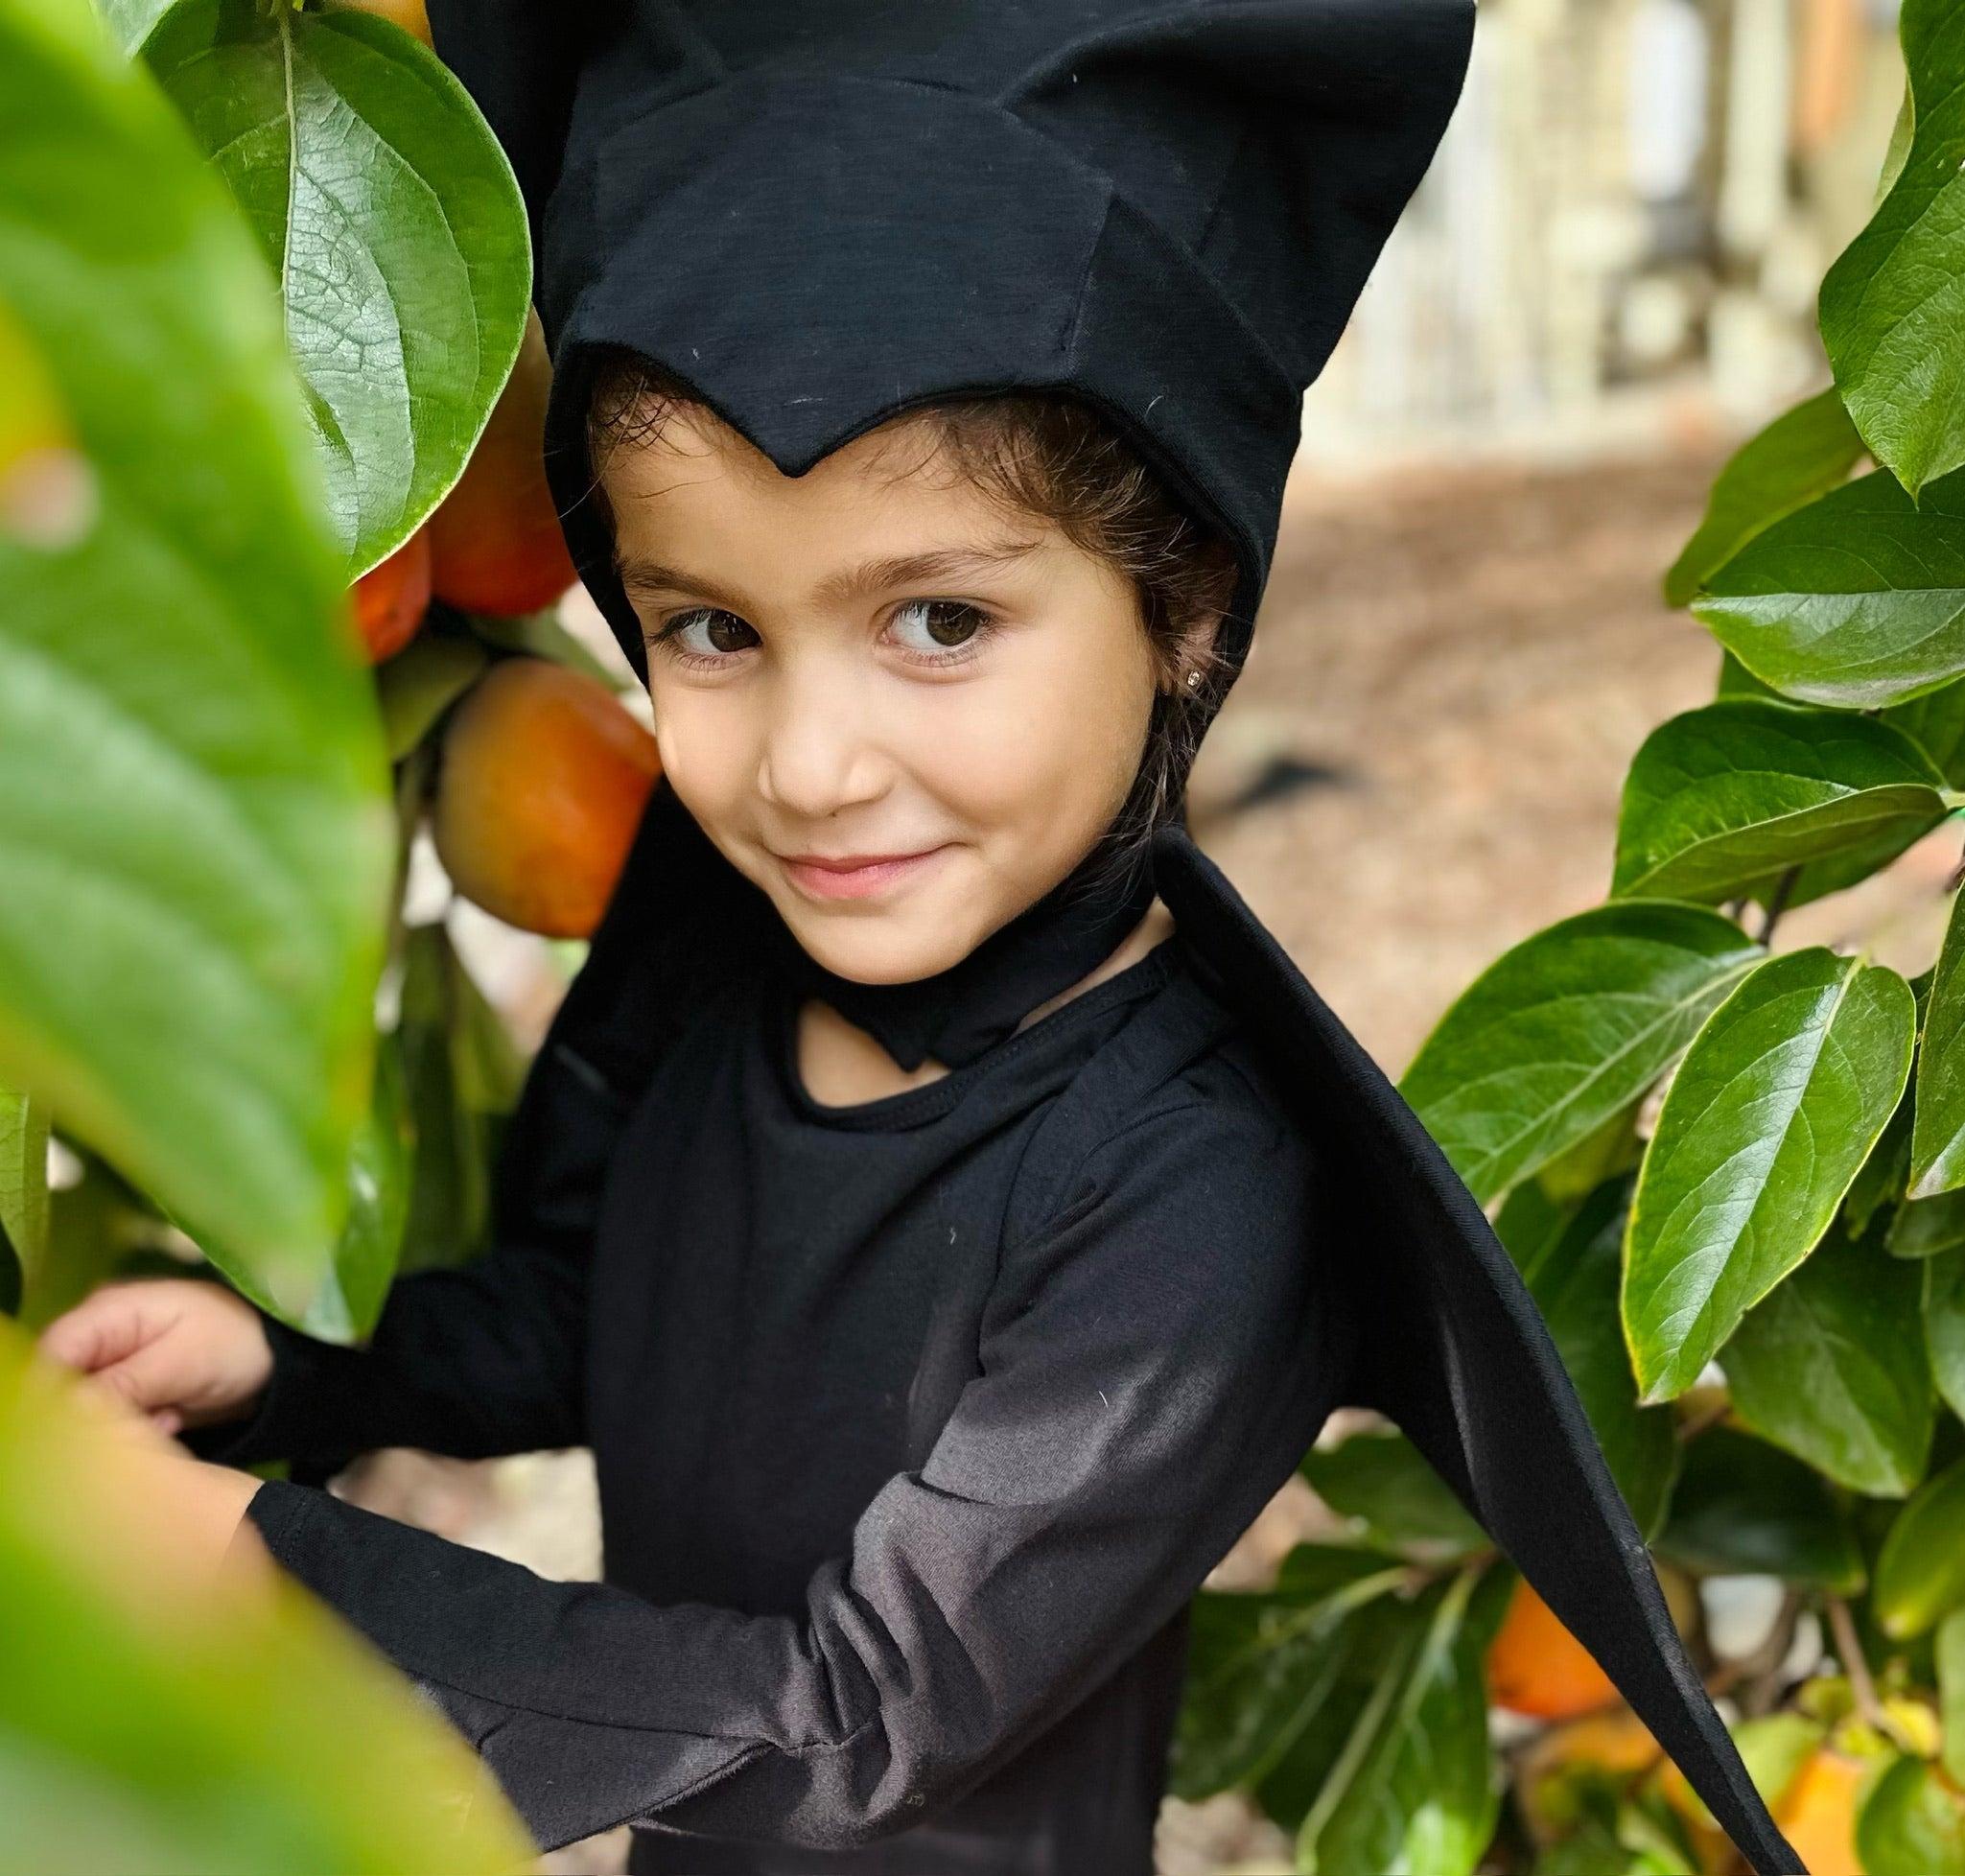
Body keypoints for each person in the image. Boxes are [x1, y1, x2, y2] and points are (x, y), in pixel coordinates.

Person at [38, 5, 1802, 1873]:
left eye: (938, 623)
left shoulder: (1191, 1196)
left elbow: (859, 1720)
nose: (807, 768)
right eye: (707, 626)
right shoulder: (705, 945)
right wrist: (292, 1374)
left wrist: (262, 1576)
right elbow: (586, 1313)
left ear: (1183, 610)